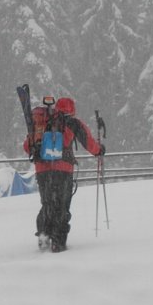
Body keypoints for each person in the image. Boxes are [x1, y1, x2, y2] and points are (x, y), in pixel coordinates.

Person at [23, 96, 105, 252]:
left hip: (43, 171)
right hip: (63, 171)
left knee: (47, 204)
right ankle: (58, 242)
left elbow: (27, 146)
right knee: (61, 206)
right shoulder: (73, 123)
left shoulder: (43, 122)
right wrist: (99, 150)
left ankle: (44, 233)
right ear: (72, 109)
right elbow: (89, 143)